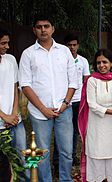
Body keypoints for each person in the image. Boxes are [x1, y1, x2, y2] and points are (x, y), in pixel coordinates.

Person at [19, 16, 78, 182]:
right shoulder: (28, 54)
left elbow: (73, 81)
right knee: (42, 152)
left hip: (63, 110)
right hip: (39, 113)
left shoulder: (64, 51)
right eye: (39, 27)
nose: (43, 30)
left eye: (46, 26)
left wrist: (65, 103)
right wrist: (43, 109)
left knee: (66, 151)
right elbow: (25, 85)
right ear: (34, 30)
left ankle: (66, 179)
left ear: (53, 28)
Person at [78, 49, 112, 182]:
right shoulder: (92, 81)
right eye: (99, 62)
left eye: (105, 62)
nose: (102, 65)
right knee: (96, 156)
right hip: (96, 127)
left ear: (111, 63)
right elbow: (92, 105)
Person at [53, 34, 90, 171]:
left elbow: (87, 81)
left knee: (75, 131)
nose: (72, 47)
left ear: (78, 46)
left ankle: (72, 156)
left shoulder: (83, 61)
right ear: (65, 46)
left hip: (79, 101)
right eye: (69, 45)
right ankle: (57, 161)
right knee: (60, 132)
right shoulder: (59, 60)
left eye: (74, 45)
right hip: (65, 102)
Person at [0, 27, 29, 181]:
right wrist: (4, 116)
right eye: (3, 43)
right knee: (3, 163)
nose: (7, 46)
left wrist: (13, 113)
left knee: (22, 157)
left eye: (7, 43)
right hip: (1, 121)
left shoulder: (10, 59)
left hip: (14, 119)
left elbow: (14, 87)